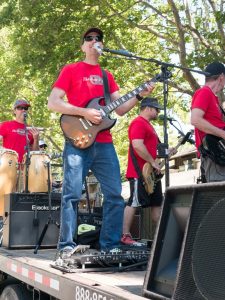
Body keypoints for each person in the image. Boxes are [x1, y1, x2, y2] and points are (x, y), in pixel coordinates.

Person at [48, 27, 154, 258]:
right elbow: (53, 102)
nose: (94, 41)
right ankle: (66, 246)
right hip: (77, 140)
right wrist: (84, 112)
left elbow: (122, 108)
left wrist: (140, 94)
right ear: (83, 45)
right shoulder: (71, 70)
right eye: (89, 38)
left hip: (104, 142)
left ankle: (110, 244)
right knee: (72, 195)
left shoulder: (107, 76)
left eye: (98, 38)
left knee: (115, 195)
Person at [121, 97, 163, 246]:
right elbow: (137, 145)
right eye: (156, 109)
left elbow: (152, 149)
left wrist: (163, 155)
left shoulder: (149, 126)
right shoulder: (138, 123)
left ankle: (161, 237)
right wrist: (152, 162)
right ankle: (125, 235)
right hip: (140, 172)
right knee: (134, 201)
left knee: (157, 203)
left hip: (152, 174)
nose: (158, 112)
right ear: (148, 108)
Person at [191, 61, 225, 182]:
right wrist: (222, 134)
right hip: (213, 154)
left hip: (219, 153)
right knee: (220, 195)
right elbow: (195, 119)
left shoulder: (212, 97)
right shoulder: (204, 92)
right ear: (221, 77)